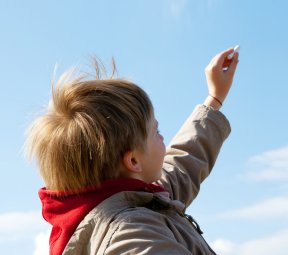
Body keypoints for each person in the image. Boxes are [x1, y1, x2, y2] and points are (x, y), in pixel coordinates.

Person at [26, 47, 239, 255]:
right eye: (156, 131)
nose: (162, 137)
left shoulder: (131, 199)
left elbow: (182, 165)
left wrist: (214, 99)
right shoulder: (130, 236)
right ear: (133, 161)